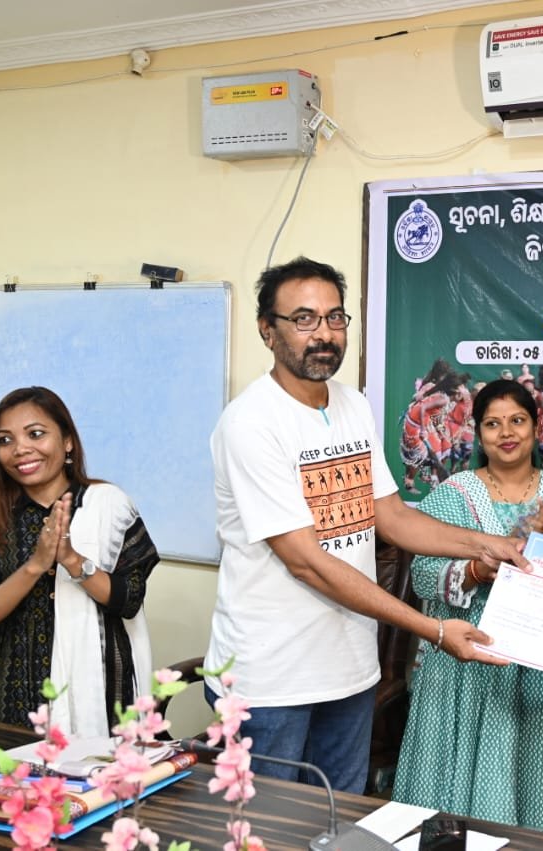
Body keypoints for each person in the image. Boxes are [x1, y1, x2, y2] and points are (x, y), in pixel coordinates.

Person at [204, 257, 525, 794]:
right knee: (269, 827)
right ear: (267, 330)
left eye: (335, 317)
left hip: (349, 670)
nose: (324, 334)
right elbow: (307, 563)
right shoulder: (250, 423)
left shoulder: (352, 404)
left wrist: (487, 543)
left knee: (340, 822)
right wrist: (433, 630)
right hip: (271, 683)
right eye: (303, 319)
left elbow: (391, 515)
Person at [393, 379, 543, 835]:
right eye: (493, 424)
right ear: (477, 432)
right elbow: (424, 576)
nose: (506, 433)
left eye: (517, 420)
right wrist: (476, 571)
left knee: (526, 788)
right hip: (463, 661)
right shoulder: (454, 493)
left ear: (537, 426)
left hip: (538, 670)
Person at [0, 387, 157, 736]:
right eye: (5, 440)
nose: (20, 449)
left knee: (91, 775)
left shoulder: (108, 506)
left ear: (67, 442)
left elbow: (128, 600)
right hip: (2, 705)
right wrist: (35, 565)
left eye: (35, 434)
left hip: (97, 703)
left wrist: (72, 560)